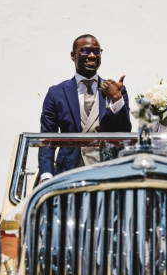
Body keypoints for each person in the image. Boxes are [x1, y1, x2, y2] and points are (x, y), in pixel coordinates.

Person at [38, 34, 132, 181]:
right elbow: (47, 138)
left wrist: (117, 99)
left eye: (97, 51)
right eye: (86, 51)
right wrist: (46, 176)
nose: (93, 55)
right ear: (73, 55)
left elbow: (125, 131)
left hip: (108, 175)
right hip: (68, 175)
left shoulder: (116, 90)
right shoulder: (56, 93)